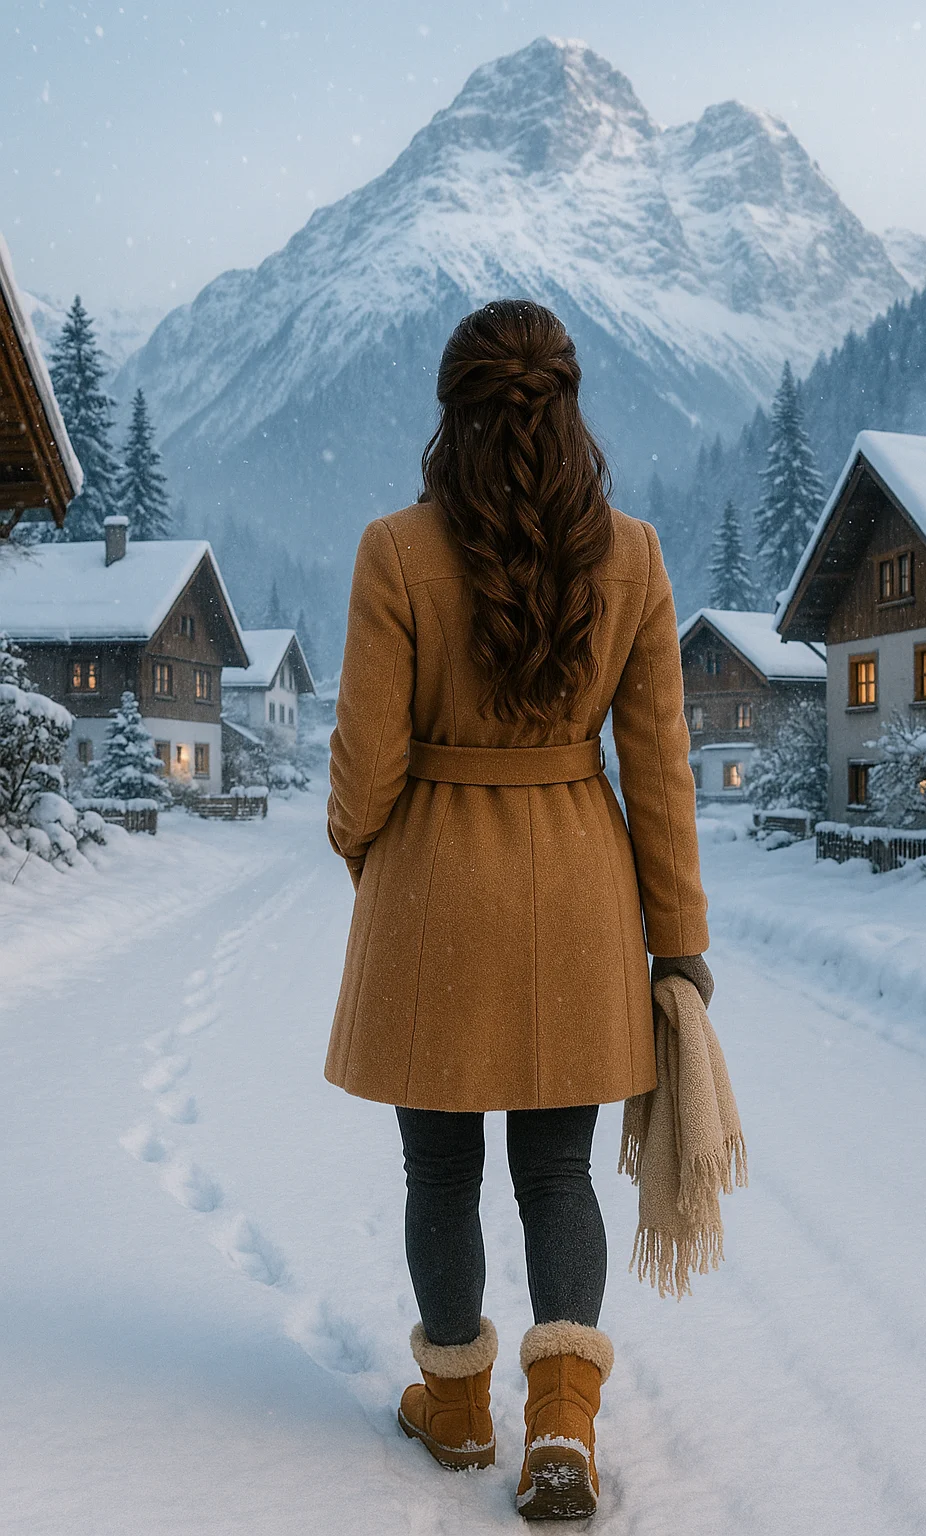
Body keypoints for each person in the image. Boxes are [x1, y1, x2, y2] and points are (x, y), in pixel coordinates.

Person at [324, 299, 711, 1522]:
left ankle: (452, 1407)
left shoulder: (395, 551)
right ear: (569, 409)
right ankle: (562, 1427)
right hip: (580, 889)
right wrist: (678, 942)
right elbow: (658, 767)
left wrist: (376, 862)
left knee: (438, 1169)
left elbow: (365, 771)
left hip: (433, 885)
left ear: (452, 414)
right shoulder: (632, 556)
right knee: (557, 1171)